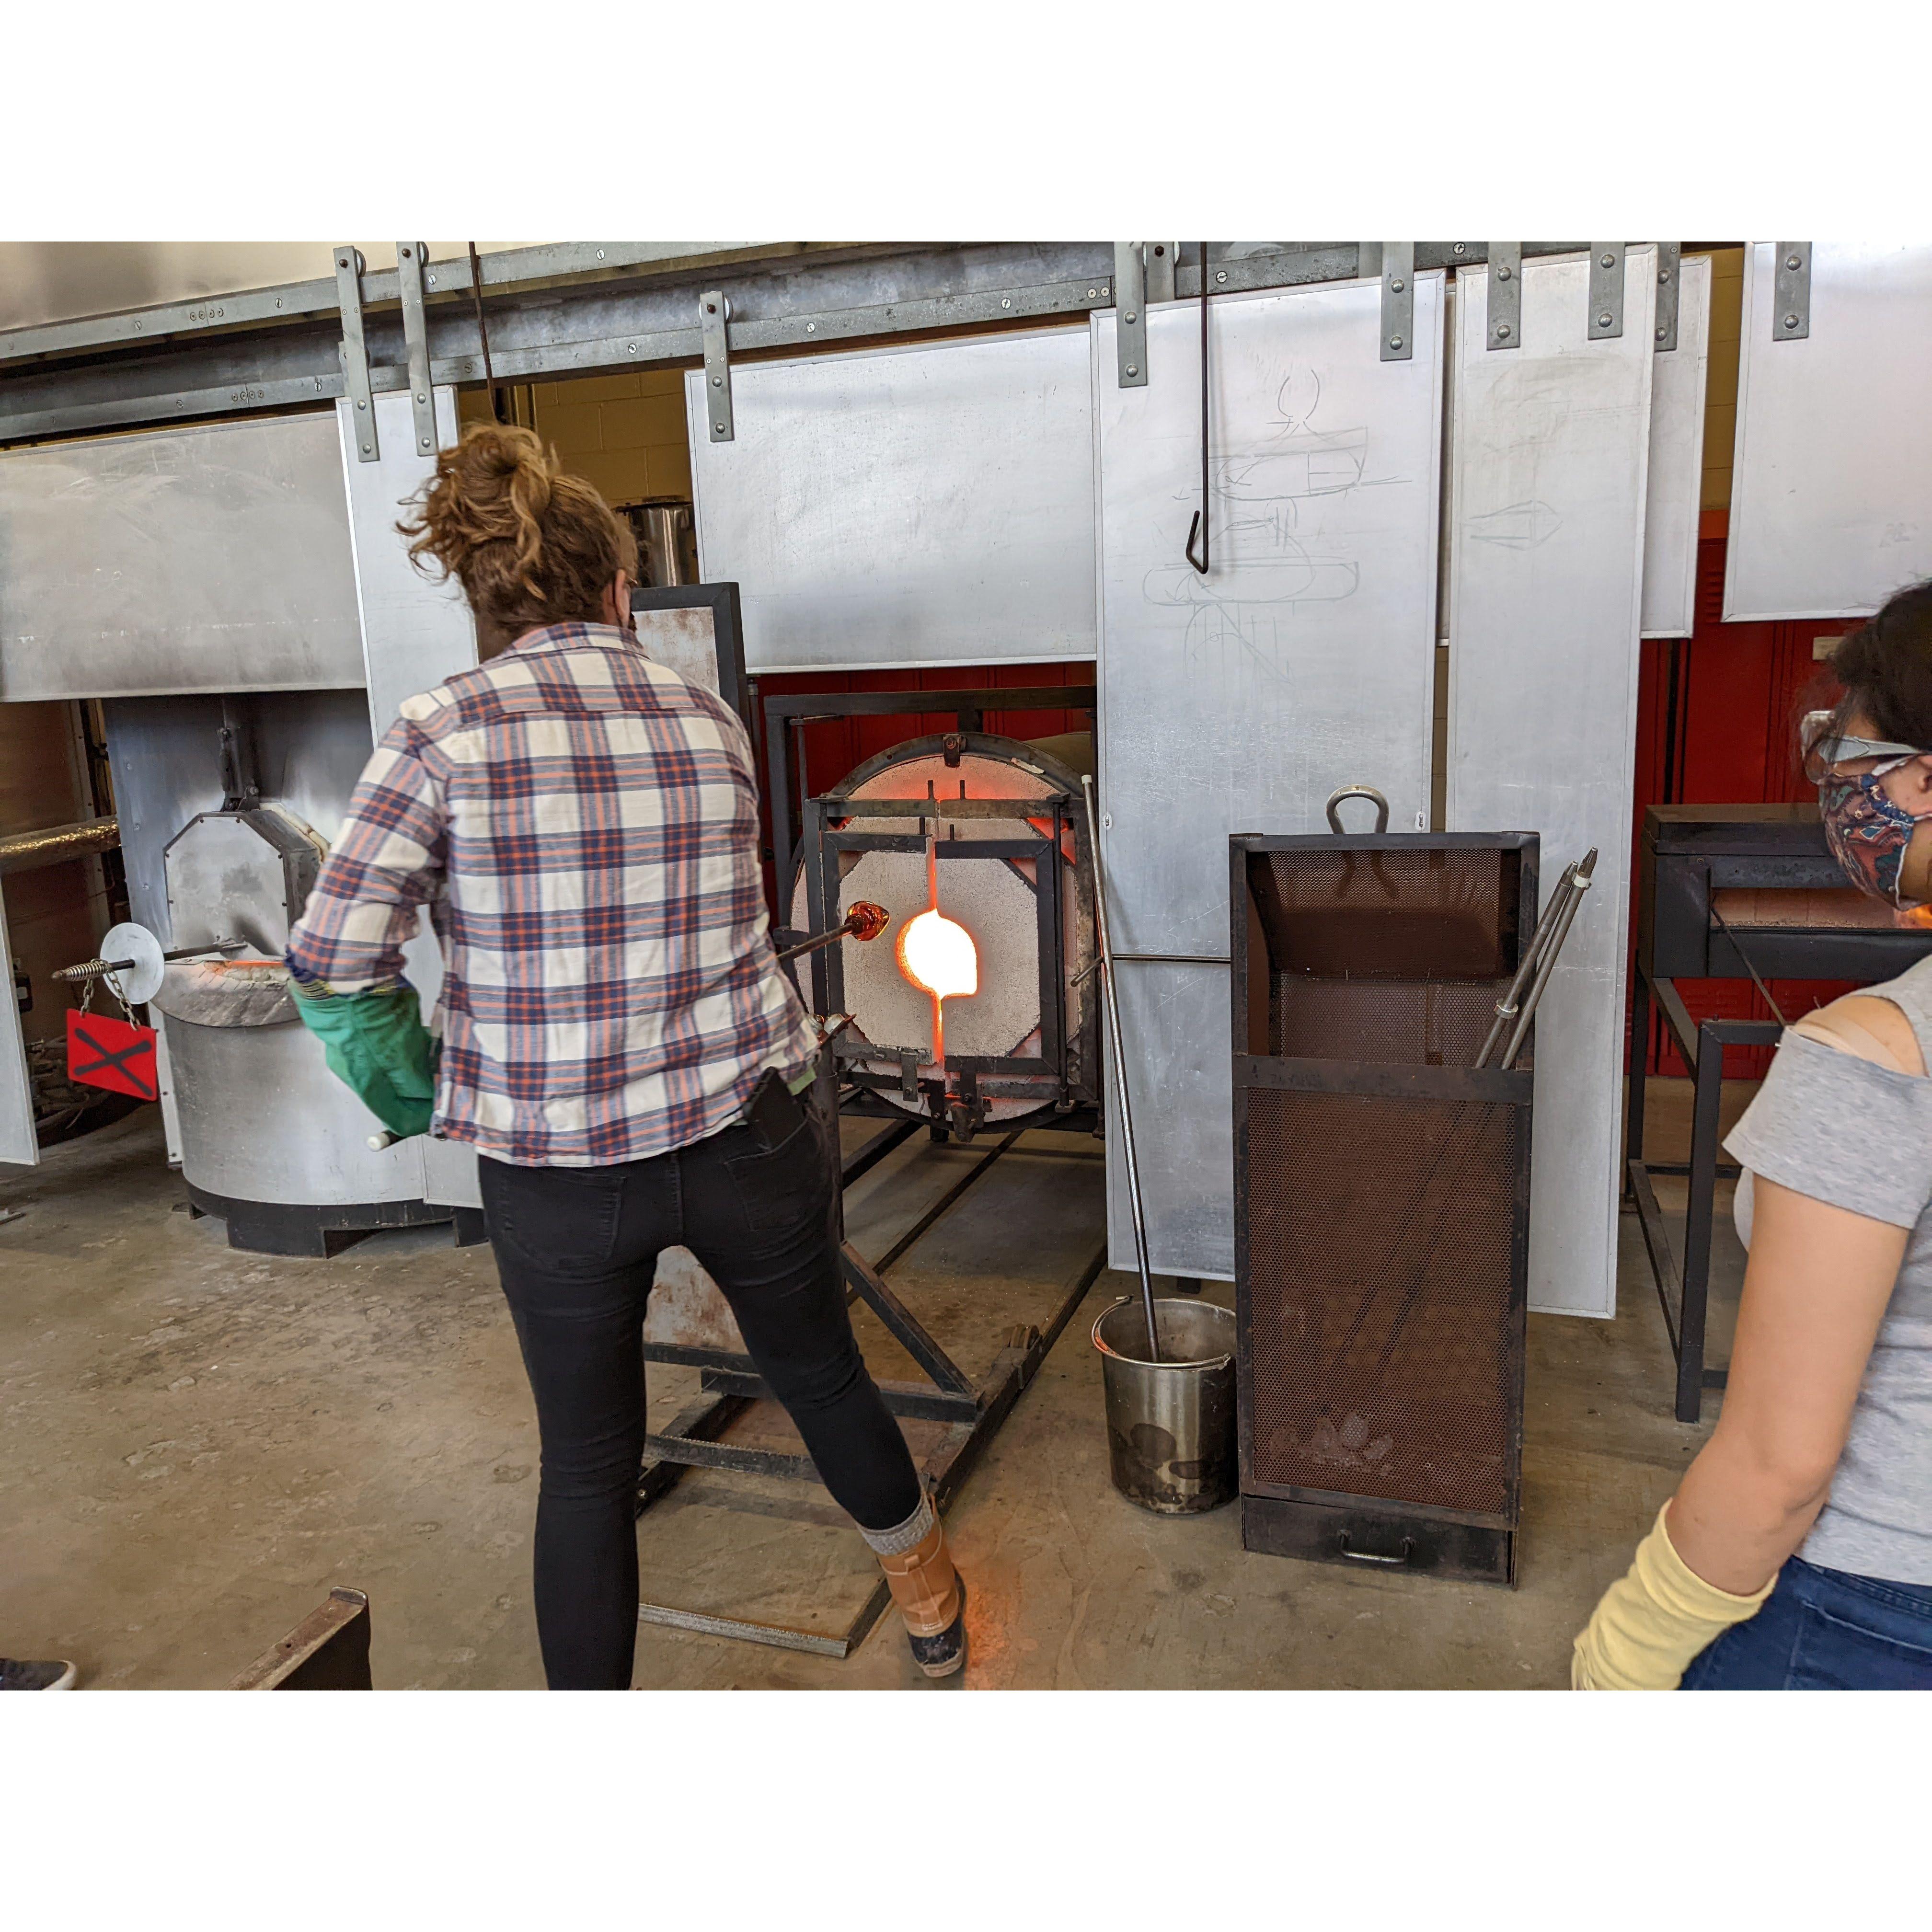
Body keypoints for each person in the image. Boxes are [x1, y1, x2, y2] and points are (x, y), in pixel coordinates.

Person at [283, 424, 965, 1689]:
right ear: (621, 592)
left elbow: (332, 963)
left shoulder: (442, 731)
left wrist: (420, 1090)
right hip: (748, 1133)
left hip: (557, 1172)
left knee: (589, 1468)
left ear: (489, 604)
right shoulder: (703, 715)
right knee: (820, 1371)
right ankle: (930, 1605)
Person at [1574, 578, 1932, 1690]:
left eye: (1858, 758)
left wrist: (1628, 1651)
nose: (1842, 791)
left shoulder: (1874, 1058)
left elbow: (1780, 1463)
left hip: (1872, 1614)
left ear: (1925, 778)